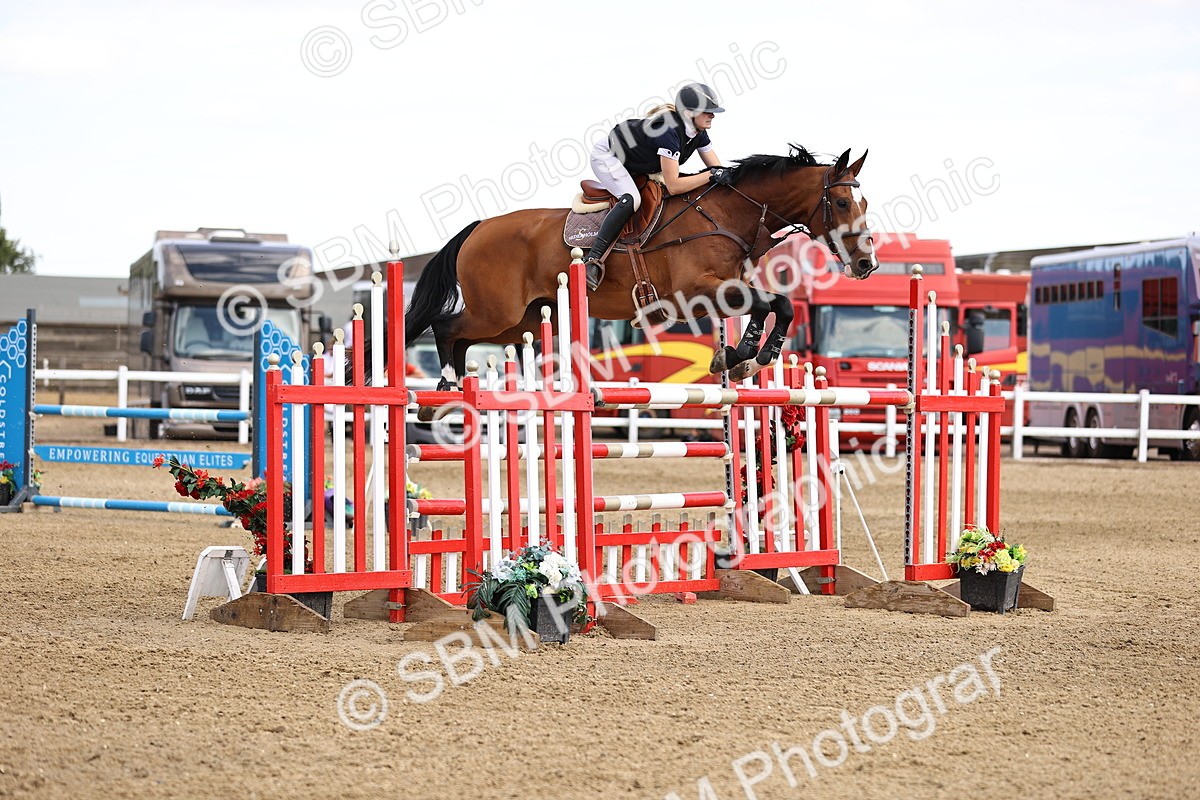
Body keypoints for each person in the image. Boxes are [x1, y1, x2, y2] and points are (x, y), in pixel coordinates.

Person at [584, 82, 735, 291]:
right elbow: (674, 185)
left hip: (638, 162)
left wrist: (729, 177)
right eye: (707, 111)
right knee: (632, 199)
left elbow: (717, 168)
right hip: (608, 157)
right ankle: (592, 260)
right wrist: (710, 176)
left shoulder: (698, 132)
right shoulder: (670, 131)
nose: (713, 116)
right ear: (689, 112)